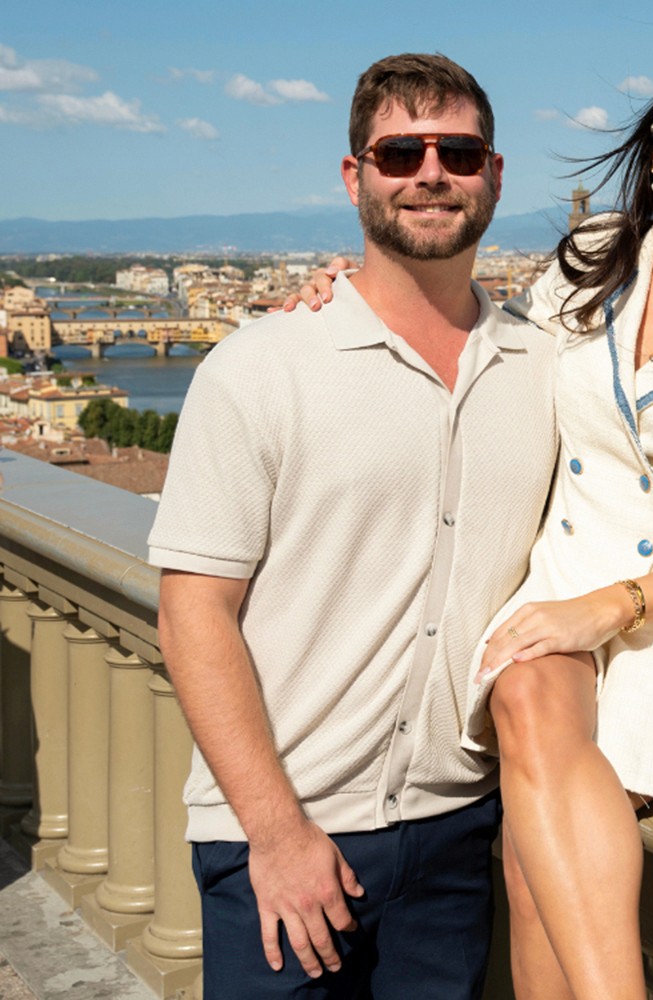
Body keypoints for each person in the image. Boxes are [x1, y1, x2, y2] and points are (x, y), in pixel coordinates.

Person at [293, 38, 653, 1000]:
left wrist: (609, 609)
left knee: (527, 853)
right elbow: (492, 345)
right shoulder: (598, 258)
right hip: (556, 589)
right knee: (526, 685)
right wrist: (364, 292)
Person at [149, 53, 557, 999]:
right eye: (399, 152)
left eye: (457, 151)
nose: (429, 172)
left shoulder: (545, 367)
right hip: (282, 841)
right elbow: (193, 613)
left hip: (458, 838)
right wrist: (280, 832)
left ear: (495, 174)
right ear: (355, 176)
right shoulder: (260, 368)